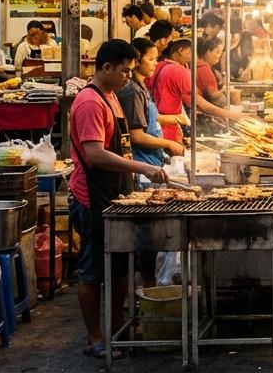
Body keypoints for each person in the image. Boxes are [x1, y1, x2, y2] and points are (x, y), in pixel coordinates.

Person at [69, 40, 169, 359]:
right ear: (106, 68)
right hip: (93, 198)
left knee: (119, 269)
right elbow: (95, 154)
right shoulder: (90, 102)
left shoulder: (111, 96)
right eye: (124, 70)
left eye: (130, 70)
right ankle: (96, 338)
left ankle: (117, 329)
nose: (128, 76)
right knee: (93, 270)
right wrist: (143, 167)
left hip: (116, 195)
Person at [148, 39, 239, 144]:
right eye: (190, 52)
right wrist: (234, 116)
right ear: (181, 51)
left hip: (157, 128)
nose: (193, 56)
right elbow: (199, 104)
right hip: (169, 131)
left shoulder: (160, 66)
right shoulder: (179, 71)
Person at [118, 37, 184, 172]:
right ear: (137, 61)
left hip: (151, 159)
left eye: (156, 59)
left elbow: (148, 117)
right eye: (151, 59)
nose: (155, 64)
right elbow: (137, 136)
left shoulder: (141, 86)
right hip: (141, 162)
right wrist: (169, 143)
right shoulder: (132, 91)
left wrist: (173, 119)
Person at [194, 36, 229, 107]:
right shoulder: (204, 69)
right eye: (217, 52)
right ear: (207, 52)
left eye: (221, 52)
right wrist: (225, 90)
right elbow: (213, 96)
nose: (219, 56)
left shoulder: (197, 66)